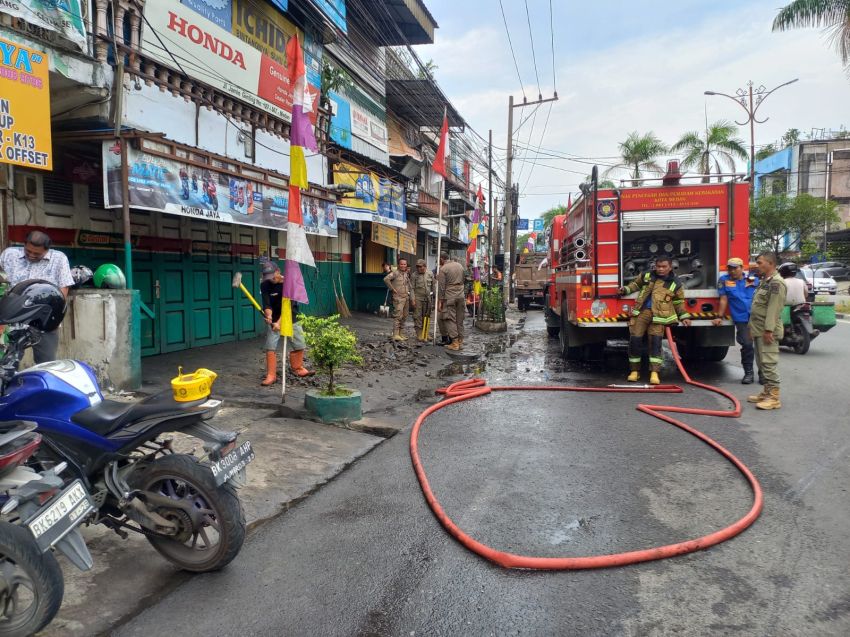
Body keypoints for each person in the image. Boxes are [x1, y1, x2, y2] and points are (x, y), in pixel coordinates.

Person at [0, 230, 74, 363]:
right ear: (24, 244)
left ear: (47, 250)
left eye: (37, 253)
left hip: (43, 321)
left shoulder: (59, 259)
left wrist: (55, 317)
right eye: (28, 251)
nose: (31, 255)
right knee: (6, 363)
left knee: (46, 363)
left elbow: (63, 289)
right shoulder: (9, 255)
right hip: (11, 318)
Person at [618, 256, 692, 385]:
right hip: (642, 313)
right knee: (635, 340)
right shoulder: (647, 275)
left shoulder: (675, 283)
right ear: (655, 266)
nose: (661, 269)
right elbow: (636, 285)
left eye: (664, 267)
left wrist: (684, 316)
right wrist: (625, 290)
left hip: (659, 317)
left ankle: (654, 372)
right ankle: (634, 371)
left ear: (670, 267)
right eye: (658, 266)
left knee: (656, 344)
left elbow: (678, 302)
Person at [259, 262, 313, 386]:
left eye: (272, 275)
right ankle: (271, 375)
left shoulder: (289, 284)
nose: (271, 279)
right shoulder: (265, 285)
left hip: (291, 316)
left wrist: (279, 323)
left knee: (299, 344)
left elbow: (288, 307)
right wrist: (269, 316)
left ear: (278, 271)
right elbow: (266, 303)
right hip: (275, 318)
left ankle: (297, 368)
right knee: (270, 346)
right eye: (268, 277)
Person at [747, 252, 787, 410]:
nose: (757, 265)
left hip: (767, 330)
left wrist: (769, 330)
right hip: (759, 329)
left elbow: (773, 309)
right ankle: (767, 392)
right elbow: (757, 307)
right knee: (761, 363)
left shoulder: (777, 283)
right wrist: (752, 328)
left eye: (759, 262)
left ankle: (774, 398)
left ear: (770, 263)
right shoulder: (765, 281)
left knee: (769, 363)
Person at [712, 257, 759, 384]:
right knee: (747, 345)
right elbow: (723, 299)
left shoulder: (752, 279)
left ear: (742, 268)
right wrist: (719, 316)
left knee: (761, 346)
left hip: (757, 317)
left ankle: (764, 374)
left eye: (735, 268)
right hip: (741, 318)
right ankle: (748, 373)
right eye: (730, 268)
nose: (732, 271)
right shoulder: (724, 280)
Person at [437, 252, 466, 351]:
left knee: (450, 319)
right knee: (460, 319)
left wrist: (440, 301)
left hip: (450, 296)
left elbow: (441, 287)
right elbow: (463, 279)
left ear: (441, 259)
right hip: (461, 295)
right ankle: (460, 340)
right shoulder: (460, 266)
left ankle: (454, 342)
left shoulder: (443, 269)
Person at [384, 257, 412, 341]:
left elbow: (408, 285)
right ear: (398, 265)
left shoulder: (406, 274)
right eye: (401, 264)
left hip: (406, 297)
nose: (403, 265)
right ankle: (395, 334)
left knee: (405, 316)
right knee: (398, 316)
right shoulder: (395, 273)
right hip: (398, 298)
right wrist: (392, 289)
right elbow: (386, 279)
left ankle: (401, 333)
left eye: (404, 264)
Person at [411, 259, 434, 342]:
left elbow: (433, 287)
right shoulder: (414, 275)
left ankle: (426, 333)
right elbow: (412, 288)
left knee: (427, 316)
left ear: (425, 266)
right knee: (417, 316)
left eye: (420, 266)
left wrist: (434, 299)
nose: (419, 268)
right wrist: (412, 299)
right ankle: (419, 334)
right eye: (417, 267)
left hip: (428, 298)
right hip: (418, 298)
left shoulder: (430, 274)